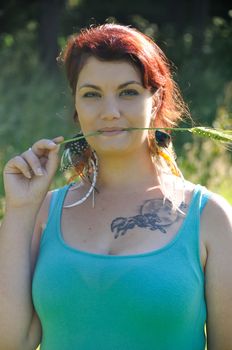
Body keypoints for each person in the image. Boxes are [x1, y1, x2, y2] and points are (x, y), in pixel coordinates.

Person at [0, 23, 231, 350]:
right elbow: (11, 342)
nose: (109, 112)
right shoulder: (40, 213)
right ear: (77, 108)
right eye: (91, 95)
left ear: (156, 100)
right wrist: (20, 209)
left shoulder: (210, 218)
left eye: (128, 92)